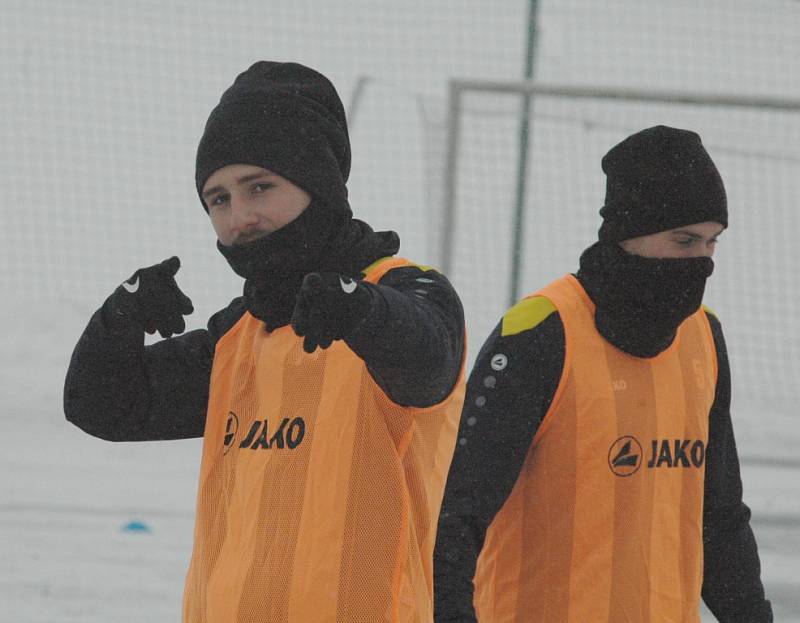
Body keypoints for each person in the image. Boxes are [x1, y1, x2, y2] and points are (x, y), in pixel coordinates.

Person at [64, 61, 466, 622]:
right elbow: (104, 405)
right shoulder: (241, 331)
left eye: (260, 187)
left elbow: (429, 362)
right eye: (218, 199)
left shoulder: (403, 291)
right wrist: (119, 320)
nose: (240, 217)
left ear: (318, 184)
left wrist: (359, 310)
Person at [434, 126, 772, 622]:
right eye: (683, 241)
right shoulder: (542, 333)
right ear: (629, 232)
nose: (700, 262)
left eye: (711, 243)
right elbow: (457, 514)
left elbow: (718, 518)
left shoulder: (704, 338)